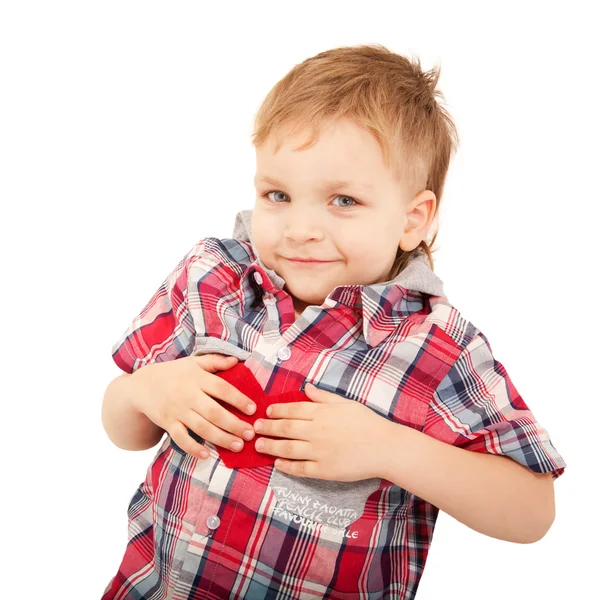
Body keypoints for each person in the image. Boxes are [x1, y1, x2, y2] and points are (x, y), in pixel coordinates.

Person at [100, 44, 567, 599]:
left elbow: (531, 512)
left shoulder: (436, 347)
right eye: (278, 194)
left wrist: (388, 449)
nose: (299, 228)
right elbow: (123, 427)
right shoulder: (214, 280)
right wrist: (146, 392)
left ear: (413, 219)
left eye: (342, 201)